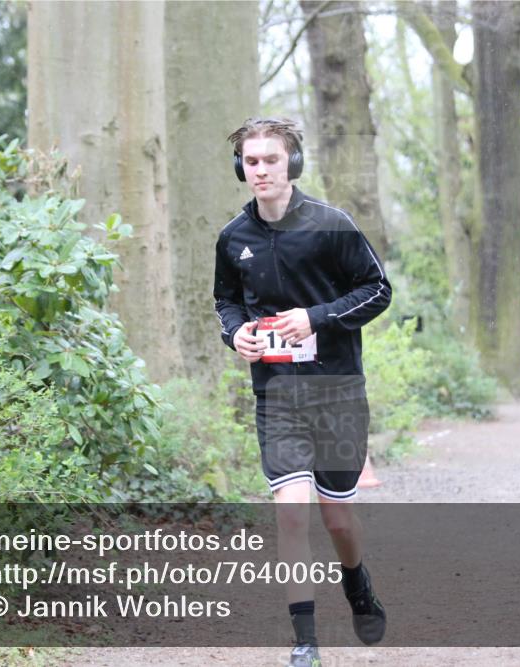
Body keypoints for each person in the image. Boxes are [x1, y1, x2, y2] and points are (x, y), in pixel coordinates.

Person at [214, 117, 391, 667]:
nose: (260, 169)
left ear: (292, 163)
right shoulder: (233, 238)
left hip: (337, 392)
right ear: (240, 167)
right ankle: (305, 641)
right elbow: (226, 302)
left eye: (270, 159)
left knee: (337, 520)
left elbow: (378, 290)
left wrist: (315, 318)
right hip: (278, 395)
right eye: (251, 161)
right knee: (291, 515)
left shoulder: (331, 225)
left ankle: (357, 583)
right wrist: (236, 334)